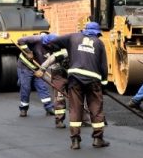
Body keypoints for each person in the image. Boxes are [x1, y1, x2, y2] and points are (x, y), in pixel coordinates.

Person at [44, 22, 110, 150]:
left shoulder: (72, 37)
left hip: (75, 78)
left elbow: (52, 41)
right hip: (93, 79)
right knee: (96, 109)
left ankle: (75, 140)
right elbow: (103, 67)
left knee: (75, 109)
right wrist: (104, 85)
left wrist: (59, 48)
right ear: (96, 33)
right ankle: (98, 139)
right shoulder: (99, 43)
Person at [16, 34, 56, 117]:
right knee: (26, 87)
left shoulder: (54, 47)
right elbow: (20, 40)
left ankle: (49, 108)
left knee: (42, 87)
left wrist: (42, 70)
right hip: (25, 67)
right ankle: (24, 108)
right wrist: (28, 52)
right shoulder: (37, 39)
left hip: (39, 69)